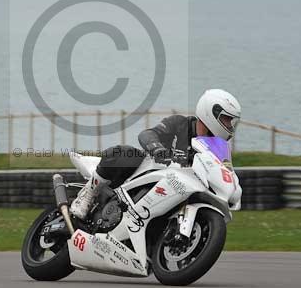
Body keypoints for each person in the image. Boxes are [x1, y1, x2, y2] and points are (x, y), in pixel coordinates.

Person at [70, 89, 241, 219]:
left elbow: (223, 169)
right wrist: (158, 149)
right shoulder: (179, 123)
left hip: (179, 191)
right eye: (227, 120)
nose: (230, 126)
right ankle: (88, 195)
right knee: (124, 153)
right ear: (211, 113)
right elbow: (147, 134)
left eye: (231, 122)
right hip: (151, 173)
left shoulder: (217, 148)